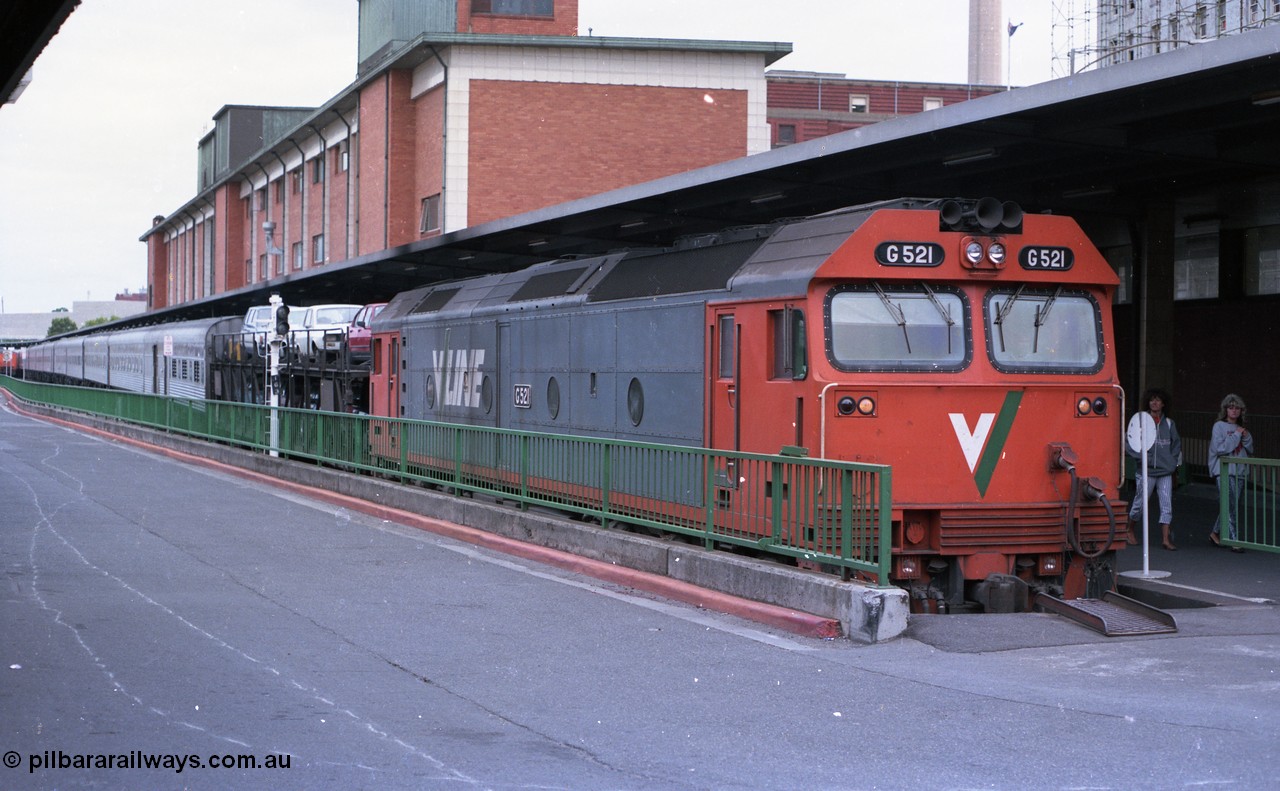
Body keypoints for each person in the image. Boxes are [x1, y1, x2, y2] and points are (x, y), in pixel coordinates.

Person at [1125, 388, 1181, 550]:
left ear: (1163, 404)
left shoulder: (1169, 424)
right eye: (1152, 400)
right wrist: (1142, 457)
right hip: (1146, 470)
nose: (1154, 403)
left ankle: (1165, 539)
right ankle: (1130, 529)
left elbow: (1176, 445)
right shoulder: (1140, 422)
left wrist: (1172, 463)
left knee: (1166, 504)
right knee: (1140, 503)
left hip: (1165, 471)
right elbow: (1129, 443)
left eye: (1158, 400)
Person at [1209, 393, 1253, 553]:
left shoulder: (1241, 429)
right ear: (1225, 410)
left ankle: (1215, 533)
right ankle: (1234, 539)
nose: (1234, 411)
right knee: (1230, 505)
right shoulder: (1219, 426)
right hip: (1224, 471)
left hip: (1240, 471)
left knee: (1232, 505)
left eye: (1237, 408)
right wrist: (1236, 435)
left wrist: (1246, 437)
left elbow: (1250, 448)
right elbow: (1220, 448)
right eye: (1231, 407)